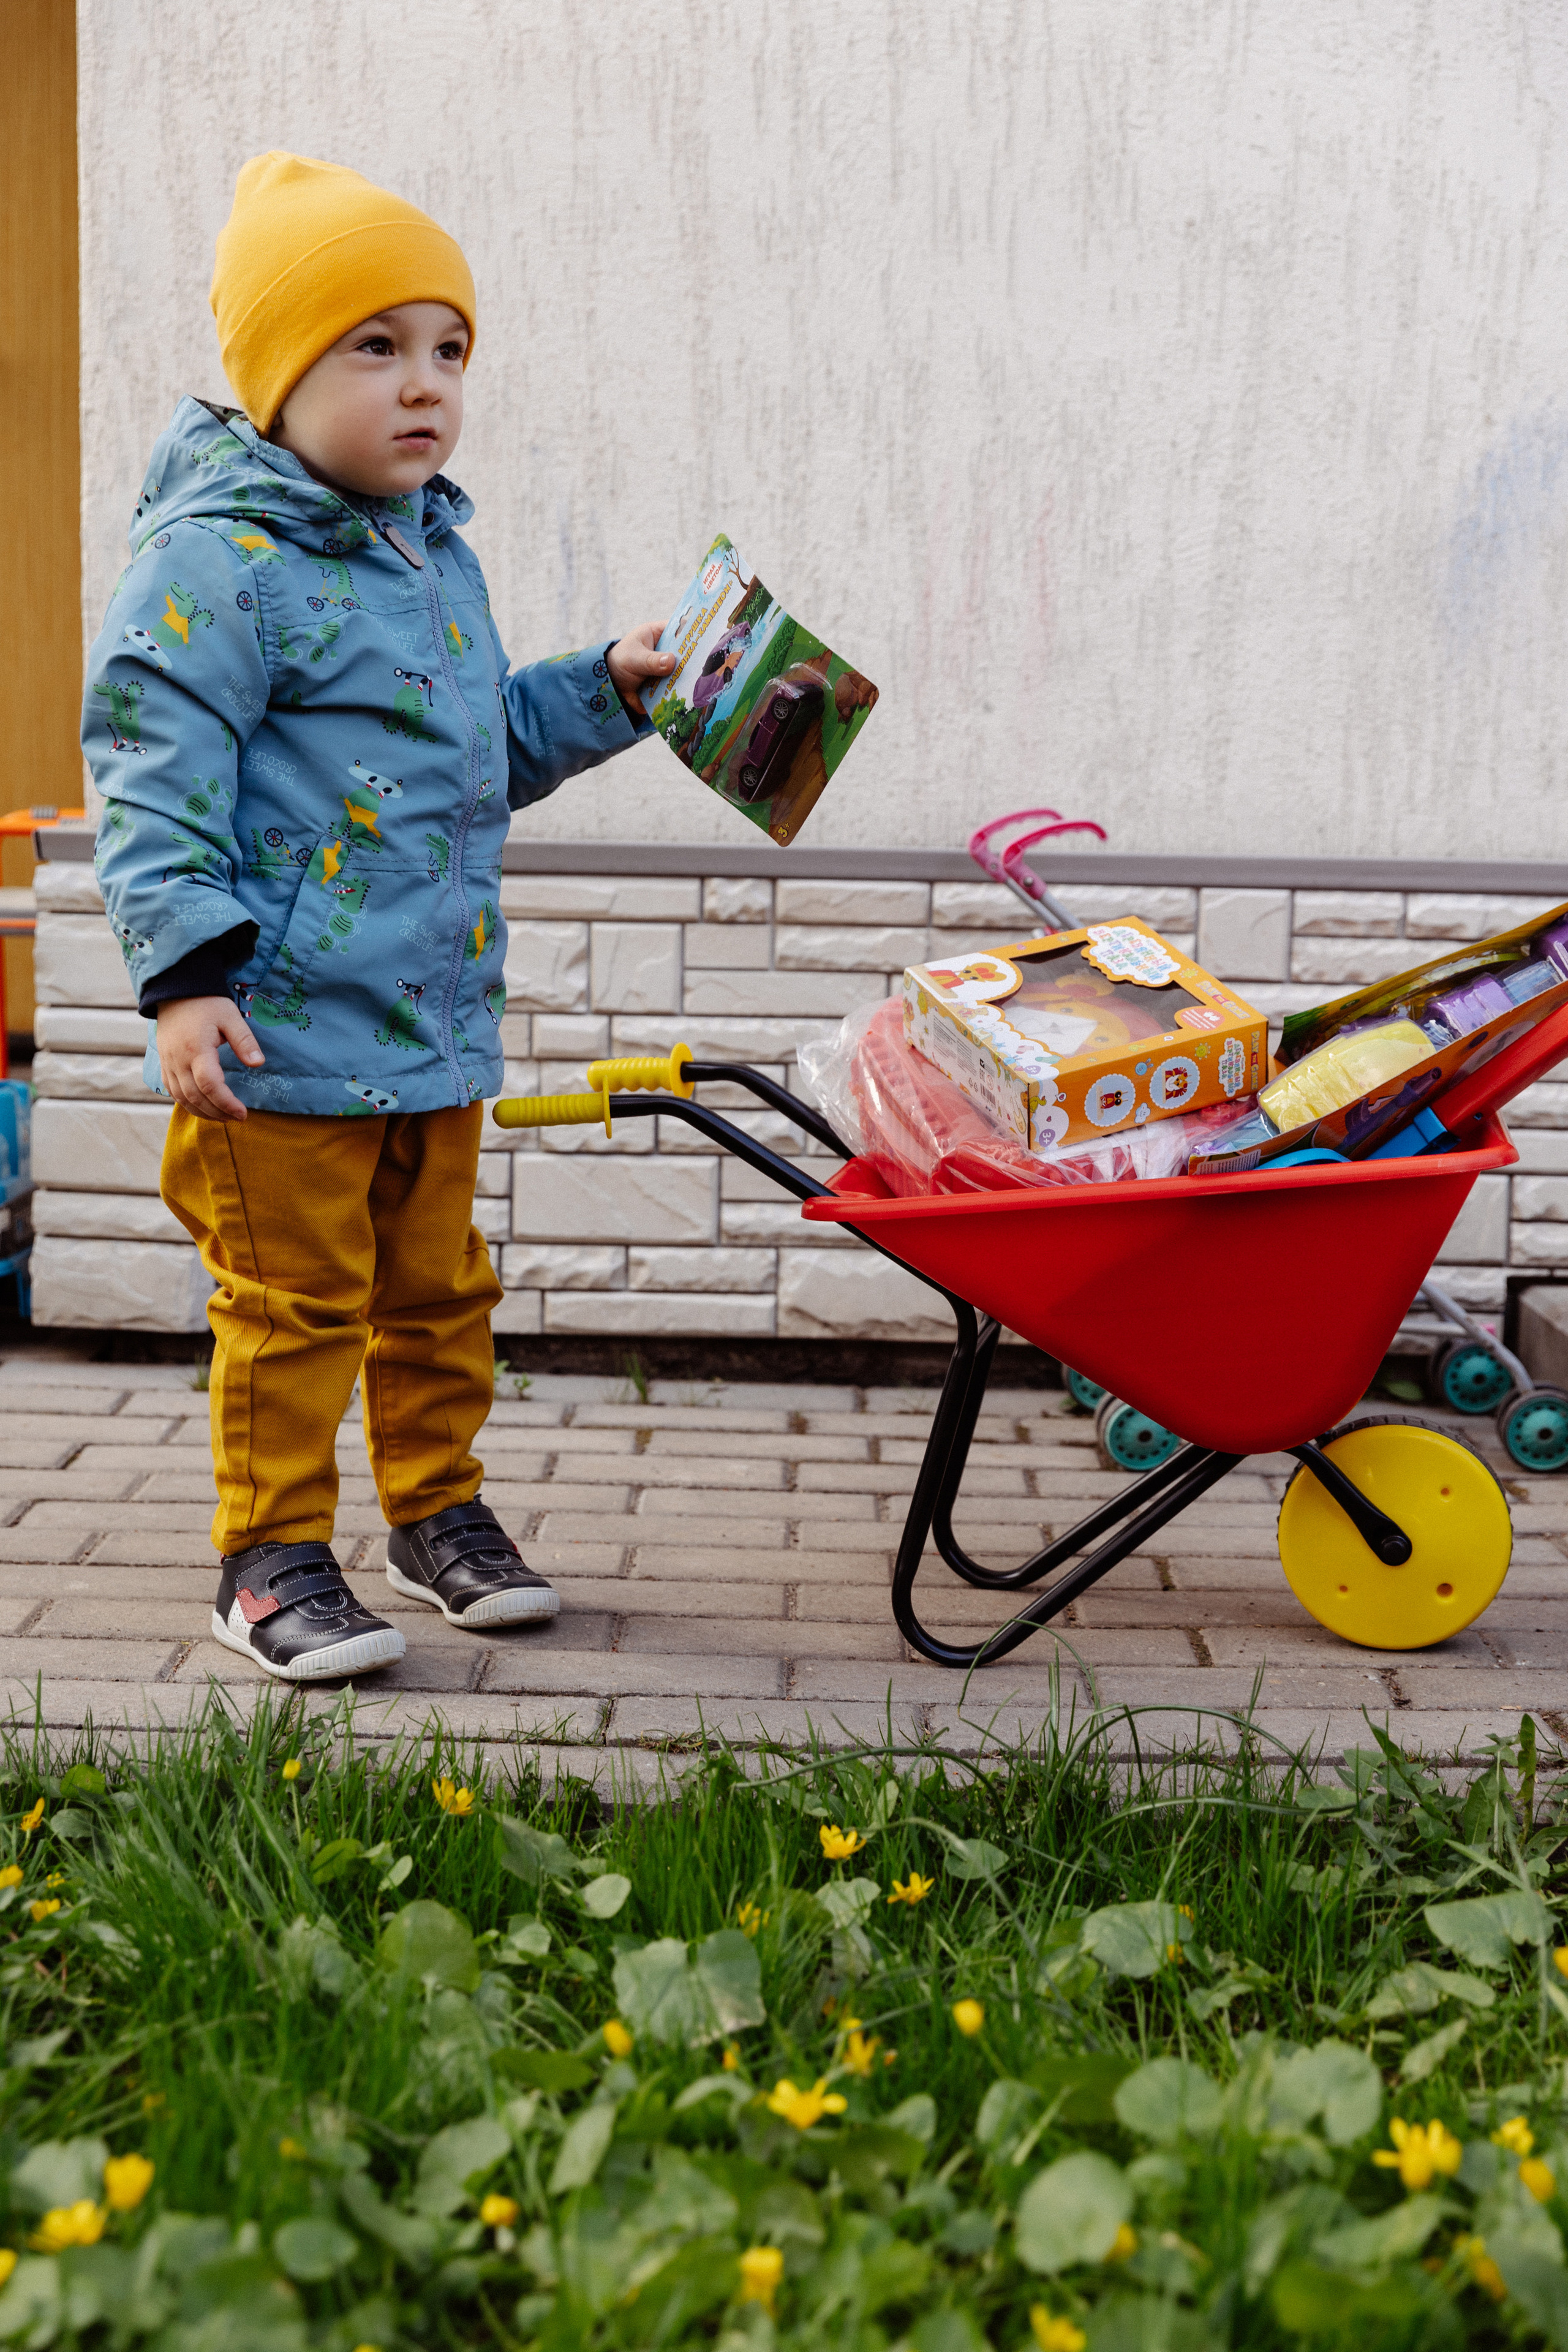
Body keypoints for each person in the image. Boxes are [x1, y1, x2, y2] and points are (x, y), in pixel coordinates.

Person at [84, 153, 675, 1683]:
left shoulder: (430, 550)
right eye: (375, 346)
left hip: (430, 1023)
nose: (425, 387)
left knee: (437, 1291)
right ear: (277, 374)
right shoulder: (215, 558)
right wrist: (184, 976)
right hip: (274, 1031)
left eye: (449, 350)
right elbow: (154, 769)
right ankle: (271, 1559)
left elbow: (475, 746)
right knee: (292, 1306)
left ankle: (436, 1518)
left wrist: (606, 688)